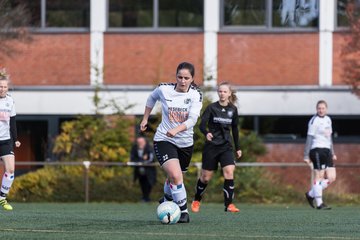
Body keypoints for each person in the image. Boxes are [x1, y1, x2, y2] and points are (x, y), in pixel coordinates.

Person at [140, 62, 202, 223]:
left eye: (186, 78)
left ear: (192, 79)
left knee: (174, 178)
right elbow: (151, 98)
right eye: (179, 77)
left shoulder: (196, 95)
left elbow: (193, 120)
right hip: (164, 139)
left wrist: (177, 130)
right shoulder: (164, 89)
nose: (182, 81)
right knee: (176, 175)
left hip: (185, 143)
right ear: (176, 77)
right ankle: (183, 212)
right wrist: (145, 118)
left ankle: (167, 197)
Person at [191, 81, 242, 213]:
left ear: (229, 93)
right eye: (220, 91)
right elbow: (202, 125)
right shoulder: (211, 108)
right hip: (212, 147)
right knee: (205, 177)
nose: (222, 93)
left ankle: (229, 204)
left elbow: (235, 130)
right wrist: (206, 133)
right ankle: (196, 200)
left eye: (225, 91)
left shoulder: (233, 110)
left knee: (229, 171)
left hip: (226, 147)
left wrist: (238, 148)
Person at [304, 100, 336, 210]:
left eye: (323, 108)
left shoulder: (328, 120)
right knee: (319, 176)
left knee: (332, 177)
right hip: (317, 150)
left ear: (326, 109)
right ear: (316, 109)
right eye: (319, 108)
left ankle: (311, 194)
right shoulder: (314, 121)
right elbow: (309, 139)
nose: (321, 110)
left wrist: (333, 152)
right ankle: (319, 203)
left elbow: (329, 137)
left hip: (327, 151)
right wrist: (306, 155)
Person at [0, 68, 21, 211]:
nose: (2, 89)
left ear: (8, 88)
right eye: (0, 87)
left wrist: (16, 139)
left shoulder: (10, 101)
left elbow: (12, 122)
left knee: (11, 169)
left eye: (4, 87)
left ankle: (2, 198)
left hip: (5, 140)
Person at [130, 136, 157, 202]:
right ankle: (144, 197)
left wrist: (143, 161)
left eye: (141, 142)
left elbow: (151, 158)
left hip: (149, 170)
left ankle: (147, 197)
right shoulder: (134, 148)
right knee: (142, 183)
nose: (140, 143)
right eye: (138, 142)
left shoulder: (149, 147)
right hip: (139, 170)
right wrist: (141, 161)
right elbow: (132, 158)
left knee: (149, 183)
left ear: (144, 142)